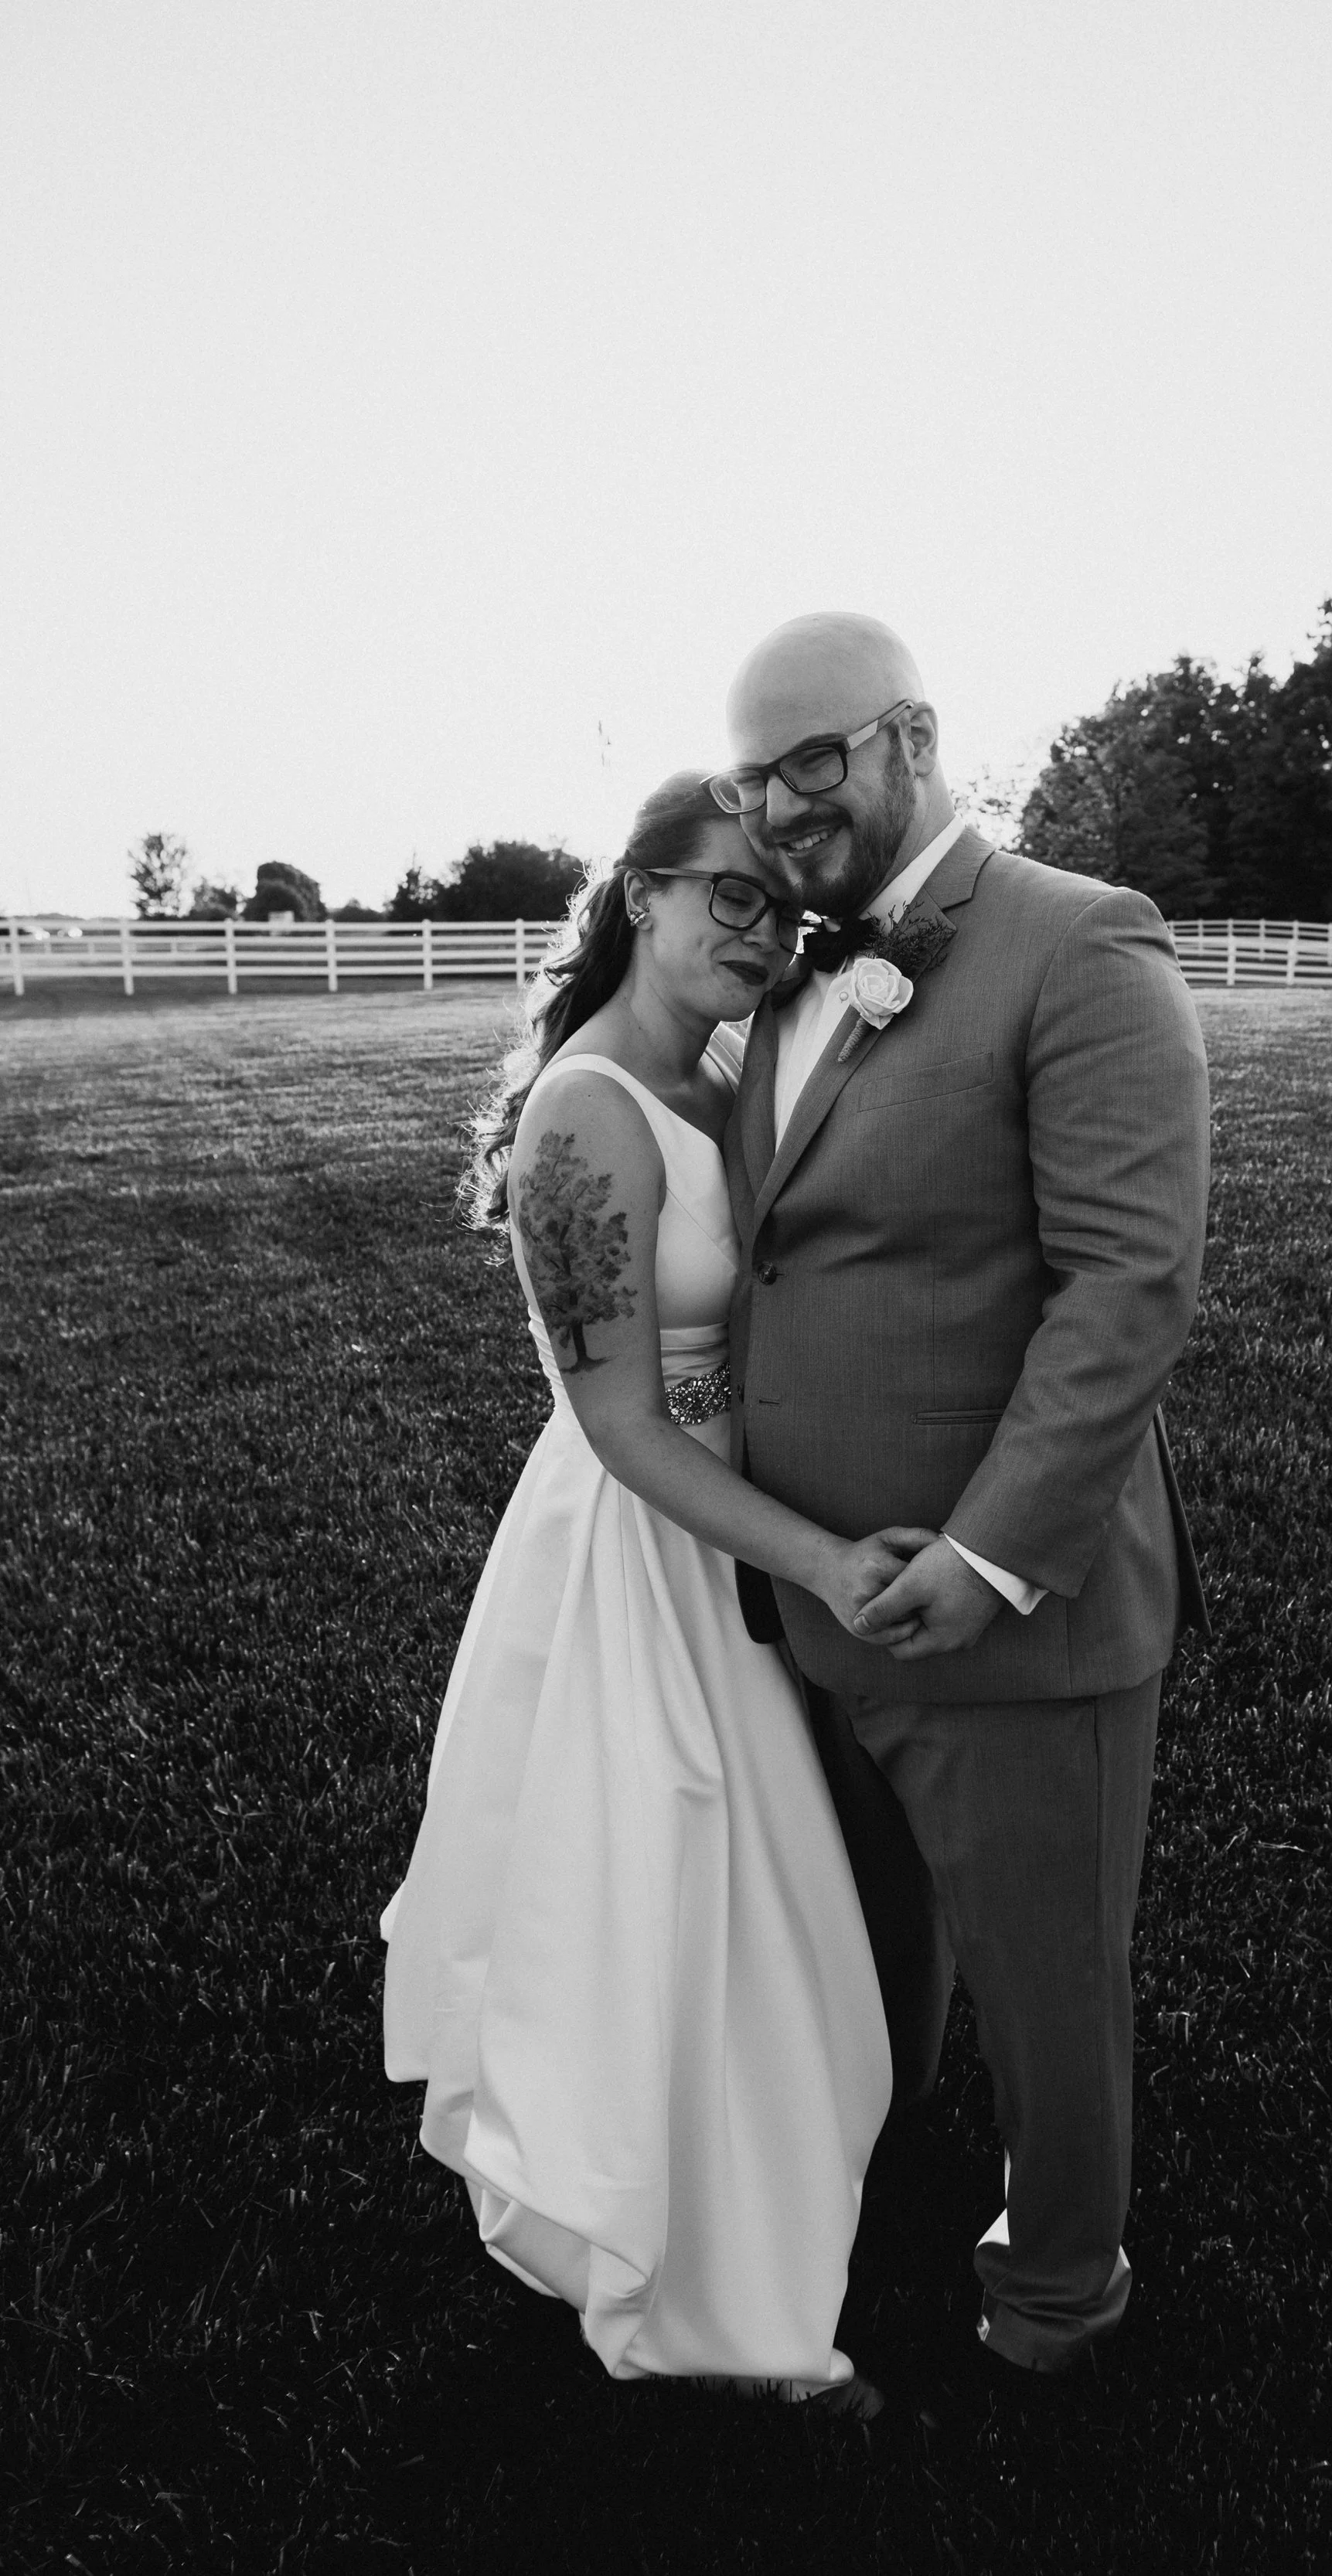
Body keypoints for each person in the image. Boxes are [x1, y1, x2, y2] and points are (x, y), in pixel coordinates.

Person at [380, 771, 918, 2410]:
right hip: (653, 1542)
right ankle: (715, 2310)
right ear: (641, 892)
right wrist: (820, 1554)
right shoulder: (587, 1112)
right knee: (682, 1904)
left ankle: (782, 2197)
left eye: (783, 907)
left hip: (753, 1508)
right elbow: (614, 1421)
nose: (760, 933)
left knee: (787, 1910)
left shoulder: (731, 1072)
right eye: (728, 897)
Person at [716, 614, 1211, 2385]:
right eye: (752, 778)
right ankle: (876, 2177)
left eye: (813, 761)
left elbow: (1124, 1290)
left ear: (913, 736)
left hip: (1008, 1612)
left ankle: (1061, 2287)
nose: (779, 806)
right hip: (814, 1600)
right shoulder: (785, 968)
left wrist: (994, 1553)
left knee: (1046, 1986)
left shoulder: (1082, 946)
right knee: (872, 1945)